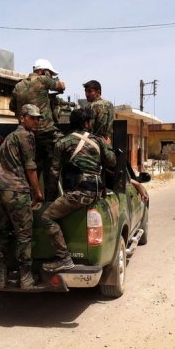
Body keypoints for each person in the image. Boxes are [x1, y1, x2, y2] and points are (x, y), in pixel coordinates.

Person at [40, 108, 117, 272]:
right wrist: (108, 146)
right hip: (96, 190)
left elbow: (54, 173)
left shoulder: (62, 142)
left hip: (79, 193)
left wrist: (50, 198)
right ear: (87, 123)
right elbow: (111, 162)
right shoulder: (98, 141)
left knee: (47, 217)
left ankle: (63, 258)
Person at [0, 104, 44, 289]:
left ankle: (1, 277)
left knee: (0, 235)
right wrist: (37, 192)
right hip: (16, 191)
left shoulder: (9, 138)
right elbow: (31, 167)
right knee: (24, 236)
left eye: (38, 118)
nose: (36, 121)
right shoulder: (26, 136)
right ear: (22, 117)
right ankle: (26, 278)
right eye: (33, 117)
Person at [9, 59, 66, 198]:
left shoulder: (18, 86)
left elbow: (11, 107)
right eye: (50, 74)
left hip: (28, 135)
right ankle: (51, 200)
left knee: (32, 168)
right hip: (46, 133)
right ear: (43, 71)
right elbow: (62, 86)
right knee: (55, 165)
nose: (50, 77)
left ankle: (30, 198)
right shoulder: (42, 80)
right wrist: (53, 82)